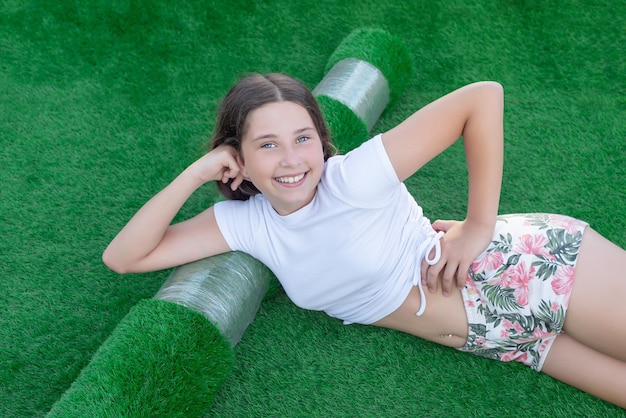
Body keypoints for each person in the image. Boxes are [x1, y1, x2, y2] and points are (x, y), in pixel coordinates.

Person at [103, 73, 626, 408]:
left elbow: (481, 98)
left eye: (302, 138)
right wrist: (193, 175)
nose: (291, 159)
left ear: (320, 141)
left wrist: (479, 227)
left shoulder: (350, 178)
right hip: (503, 339)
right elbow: (125, 257)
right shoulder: (245, 224)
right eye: (267, 145)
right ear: (236, 157)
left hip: (535, 271)